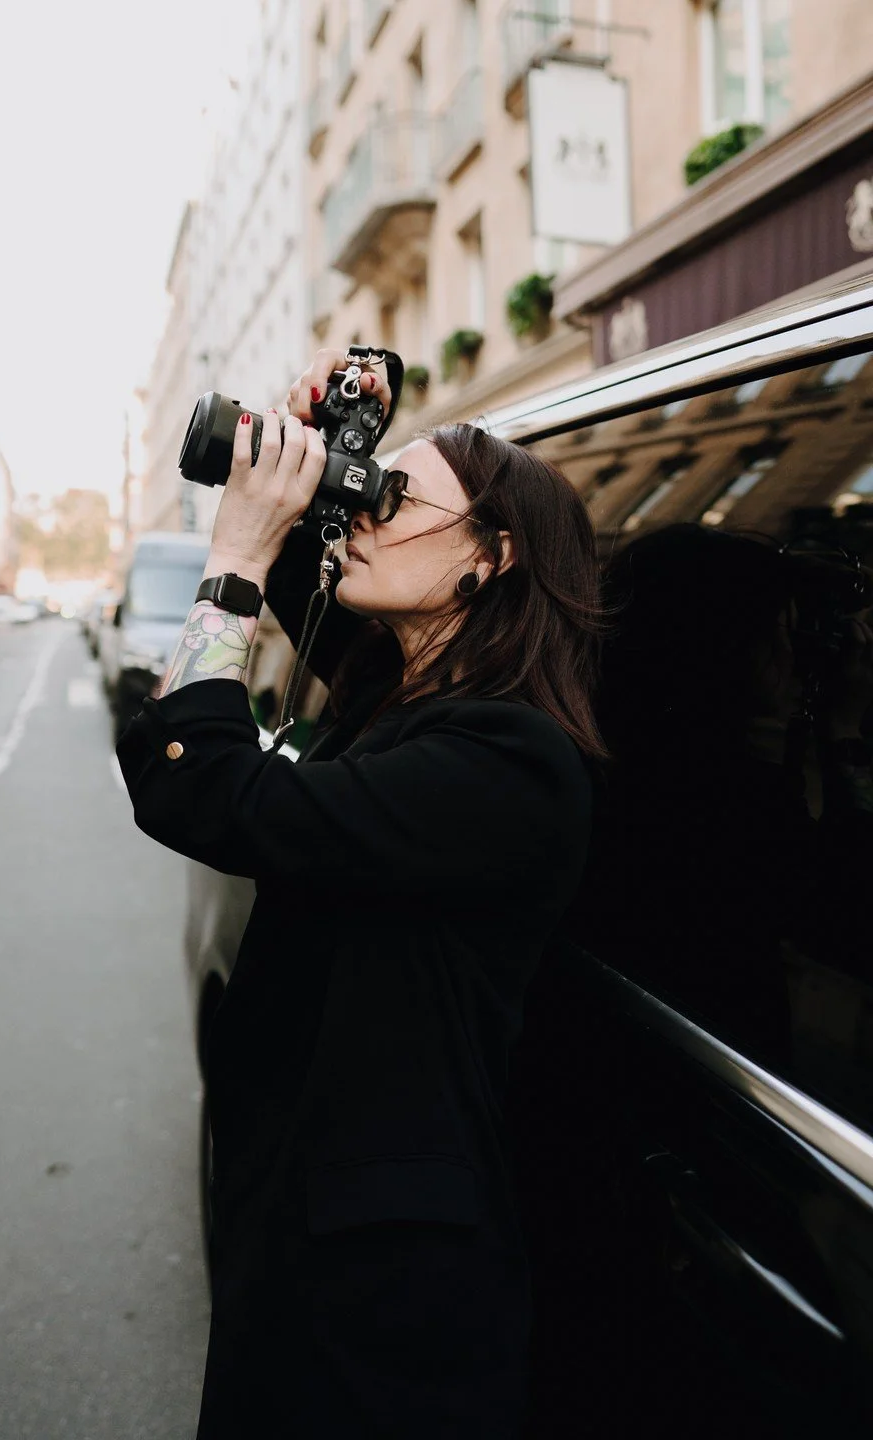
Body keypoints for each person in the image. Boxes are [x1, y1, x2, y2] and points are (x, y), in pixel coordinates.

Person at [116, 348, 605, 1439]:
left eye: (396, 498)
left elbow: (202, 792)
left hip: (384, 1306)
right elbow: (324, 591)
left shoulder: (507, 765)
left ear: (496, 556)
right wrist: (331, 456)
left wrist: (235, 555)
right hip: (312, 1237)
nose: (365, 514)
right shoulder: (406, 698)